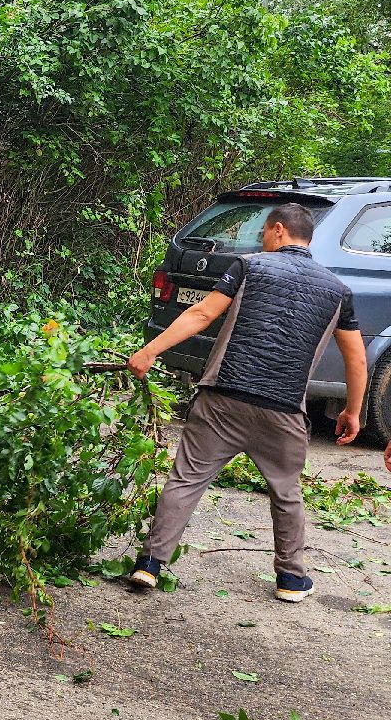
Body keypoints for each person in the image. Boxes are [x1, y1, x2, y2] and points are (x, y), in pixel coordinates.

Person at [125, 203, 369, 603]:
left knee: (186, 480)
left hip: (225, 398)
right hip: (284, 408)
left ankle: (149, 565)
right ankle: (291, 579)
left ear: (278, 230)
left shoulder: (248, 266)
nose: (260, 241)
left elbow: (203, 313)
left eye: (263, 234)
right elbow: (356, 358)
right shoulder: (339, 291)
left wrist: (150, 351)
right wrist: (353, 411)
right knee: (286, 493)